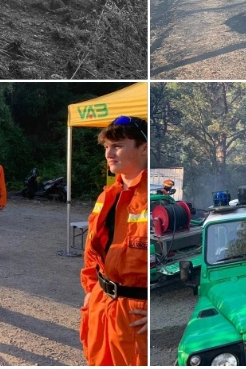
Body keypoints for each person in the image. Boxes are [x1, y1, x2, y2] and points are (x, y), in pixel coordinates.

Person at [80, 116, 148, 366]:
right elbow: (92, 252)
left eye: (117, 145)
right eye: (106, 146)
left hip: (134, 316)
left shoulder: (157, 200)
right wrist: (91, 291)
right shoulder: (107, 195)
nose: (109, 153)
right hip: (101, 306)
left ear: (143, 148)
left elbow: (178, 259)